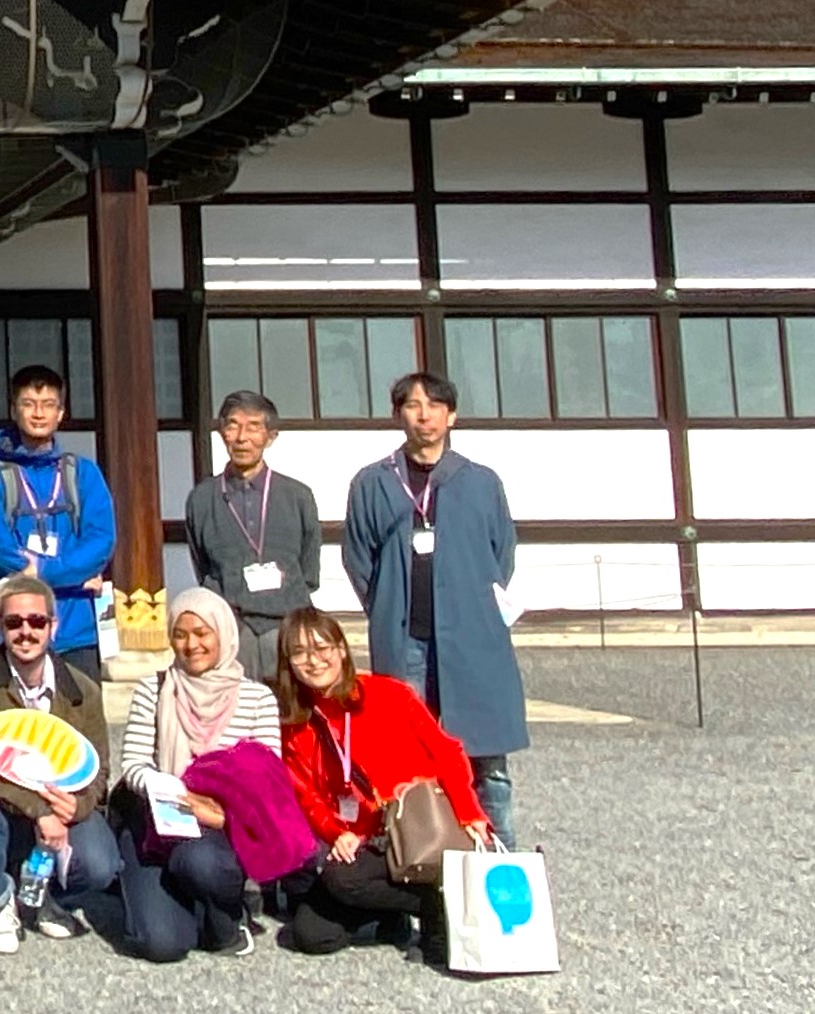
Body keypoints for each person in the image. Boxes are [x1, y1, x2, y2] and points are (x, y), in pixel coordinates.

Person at [342, 370, 527, 848]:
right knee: (407, 755)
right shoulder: (373, 482)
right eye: (412, 405)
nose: (423, 415)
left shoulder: (481, 482)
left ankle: (500, 856)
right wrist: (387, 605)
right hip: (404, 637)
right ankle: (420, 856)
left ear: (452, 416)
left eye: (434, 406)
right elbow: (359, 559)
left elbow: (501, 554)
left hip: (472, 637)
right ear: (397, 414)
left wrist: (470, 601)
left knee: (486, 759)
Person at [272, 607, 492, 963]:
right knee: (311, 935)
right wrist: (335, 833)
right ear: (289, 663)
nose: (313, 661)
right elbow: (306, 795)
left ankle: (437, 906)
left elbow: (448, 752)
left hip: (413, 827)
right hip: (361, 837)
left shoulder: (389, 694)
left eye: (322, 648)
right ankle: (393, 913)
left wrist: (470, 812)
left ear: (342, 650)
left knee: (342, 880)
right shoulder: (297, 724)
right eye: (299, 652)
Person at [0, 573, 119, 954]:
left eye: (37, 621)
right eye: (14, 622)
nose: (26, 631)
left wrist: (77, 806)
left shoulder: (83, 689)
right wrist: (39, 810)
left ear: (53, 627)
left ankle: (50, 898)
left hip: (62, 807)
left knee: (101, 864)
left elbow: (99, 768)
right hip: (1, 807)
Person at [114, 588, 282, 962]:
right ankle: (180, 904)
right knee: (163, 945)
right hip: (158, 819)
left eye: (202, 633)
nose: (191, 645)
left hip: (222, 824)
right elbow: (134, 765)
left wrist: (218, 814)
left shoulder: (257, 698)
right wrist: (168, 789)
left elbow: (267, 781)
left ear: (223, 633)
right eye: (180, 634)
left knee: (201, 864)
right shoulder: (154, 688)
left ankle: (226, 917)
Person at [0, 365, 116, 680]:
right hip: (15, 628)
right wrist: (74, 577)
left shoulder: (83, 473)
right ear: (14, 410)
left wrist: (42, 571)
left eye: (48, 405)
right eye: (29, 404)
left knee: (81, 711)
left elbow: (101, 542)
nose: (38, 414)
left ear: (60, 413)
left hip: (76, 629)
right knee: (13, 714)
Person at [182, 391, 322, 682]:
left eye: (254, 427)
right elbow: (203, 566)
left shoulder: (297, 496)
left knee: (291, 704)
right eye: (233, 426)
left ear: (270, 436)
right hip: (231, 627)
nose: (242, 437)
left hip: (286, 624)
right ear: (222, 433)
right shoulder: (202, 498)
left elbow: (308, 570)